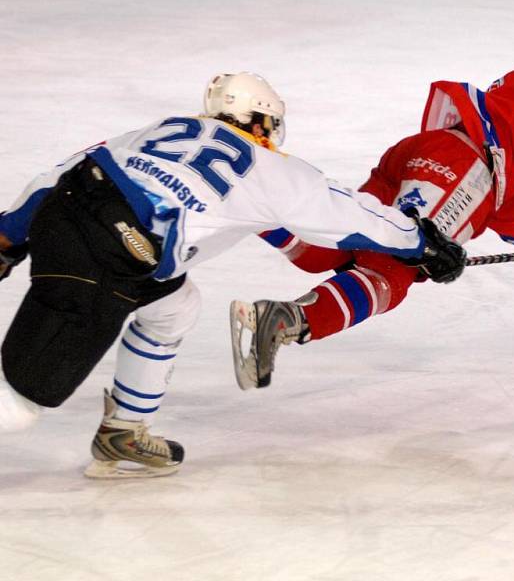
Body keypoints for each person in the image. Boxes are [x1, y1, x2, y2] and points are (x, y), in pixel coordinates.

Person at [0, 72, 466, 478]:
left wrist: (8, 234)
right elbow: (351, 215)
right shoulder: (268, 168)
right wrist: (422, 242)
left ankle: (124, 431)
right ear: (264, 122)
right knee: (22, 404)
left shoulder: (166, 128)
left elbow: (66, 171)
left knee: (175, 306)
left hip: (72, 212)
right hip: (110, 254)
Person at [231, 54, 514, 389]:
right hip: (462, 165)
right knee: (395, 270)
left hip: (434, 156)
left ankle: (245, 200)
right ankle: (288, 319)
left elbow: (501, 203)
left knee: (337, 250)